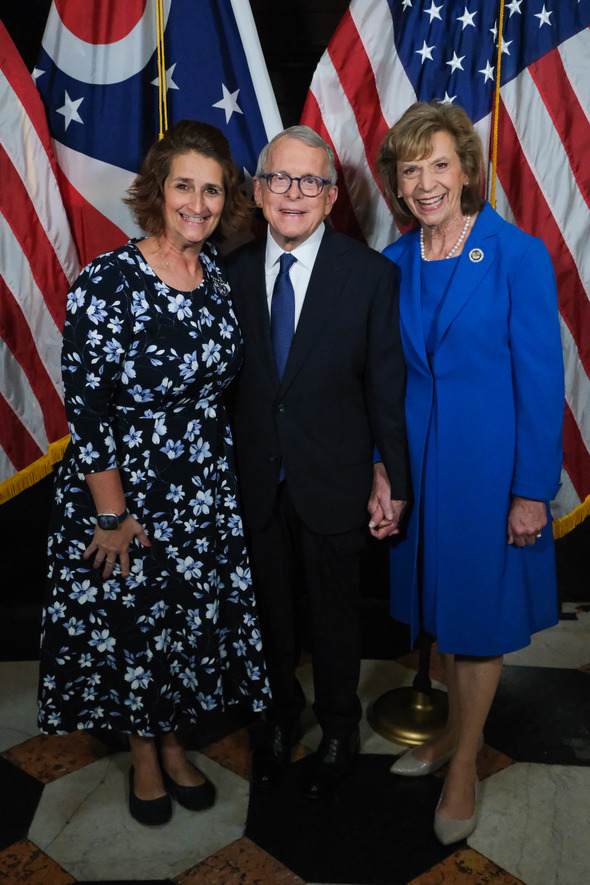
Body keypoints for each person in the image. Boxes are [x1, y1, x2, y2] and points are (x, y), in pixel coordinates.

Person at [37, 120, 270, 825]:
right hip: (128, 495)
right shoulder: (109, 280)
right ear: (157, 191)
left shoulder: (219, 279)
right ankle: (144, 753)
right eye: (183, 186)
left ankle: (173, 742)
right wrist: (112, 514)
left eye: (211, 188)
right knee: (135, 628)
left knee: (182, 628)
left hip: (201, 490)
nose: (197, 202)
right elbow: (88, 407)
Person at [372, 100, 564, 844]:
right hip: (420, 473)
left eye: (439, 164)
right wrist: (384, 472)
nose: (425, 182)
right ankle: (455, 731)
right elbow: (383, 384)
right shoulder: (393, 264)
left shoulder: (515, 255)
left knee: (479, 623)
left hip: (491, 473)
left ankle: (462, 767)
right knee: (442, 611)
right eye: (411, 167)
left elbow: (542, 381)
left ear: (467, 170)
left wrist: (530, 490)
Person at [225, 125, 409, 799]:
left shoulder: (370, 277)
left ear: (331, 196)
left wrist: (392, 476)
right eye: (279, 178)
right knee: (267, 612)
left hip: (335, 479)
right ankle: (276, 719)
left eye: (309, 181)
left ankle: (338, 723)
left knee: (335, 614)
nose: (292, 193)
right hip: (253, 483)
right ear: (256, 190)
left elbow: (385, 389)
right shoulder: (231, 273)